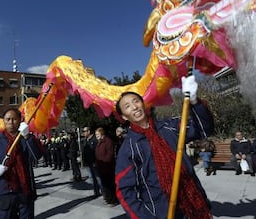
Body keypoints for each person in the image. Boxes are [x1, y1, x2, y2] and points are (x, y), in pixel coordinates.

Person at [115, 75, 213, 219]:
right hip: (162, 213)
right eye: (127, 106)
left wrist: (194, 101)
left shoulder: (169, 126)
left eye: (136, 101)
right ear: (123, 116)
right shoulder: (128, 147)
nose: (134, 107)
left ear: (143, 103)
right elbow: (125, 191)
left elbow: (204, 130)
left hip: (194, 204)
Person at [0, 108, 42, 219]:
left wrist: (28, 137)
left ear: (20, 120)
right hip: (3, 191)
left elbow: (37, 156)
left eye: (14, 119)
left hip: (25, 190)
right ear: (3, 121)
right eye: (8, 119)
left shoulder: (26, 138)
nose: (11, 122)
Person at [95, 127, 118, 206]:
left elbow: (109, 154)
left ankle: (113, 200)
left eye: (97, 134)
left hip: (107, 167)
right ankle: (108, 198)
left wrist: (104, 162)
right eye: (96, 134)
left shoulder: (108, 141)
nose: (96, 136)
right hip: (101, 167)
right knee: (104, 185)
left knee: (110, 184)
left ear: (102, 133)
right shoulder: (99, 142)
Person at [82, 126, 101, 197]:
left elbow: (97, 151)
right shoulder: (85, 140)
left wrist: (96, 161)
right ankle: (96, 192)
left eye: (84, 131)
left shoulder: (95, 139)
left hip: (94, 162)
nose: (83, 133)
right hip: (88, 162)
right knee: (92, 178)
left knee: (98, 178)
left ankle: (103, 191)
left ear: (88, 131)